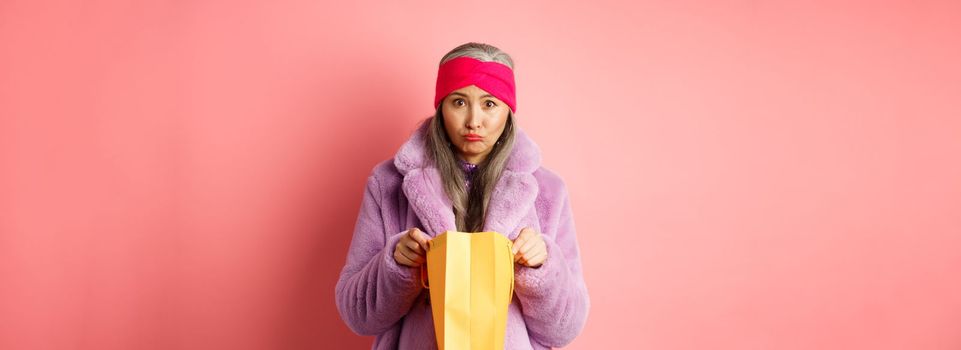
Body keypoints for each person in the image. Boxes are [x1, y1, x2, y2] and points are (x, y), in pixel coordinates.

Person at [335, 42, 589, 349]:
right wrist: (396, 265)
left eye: (489, 104)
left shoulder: (548, 191)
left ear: (508, 111)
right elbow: (357, 315)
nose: (473, 121)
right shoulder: (388, 183)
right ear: (441, 106)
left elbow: (565, 329)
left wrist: (541, 269)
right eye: (458, 102)